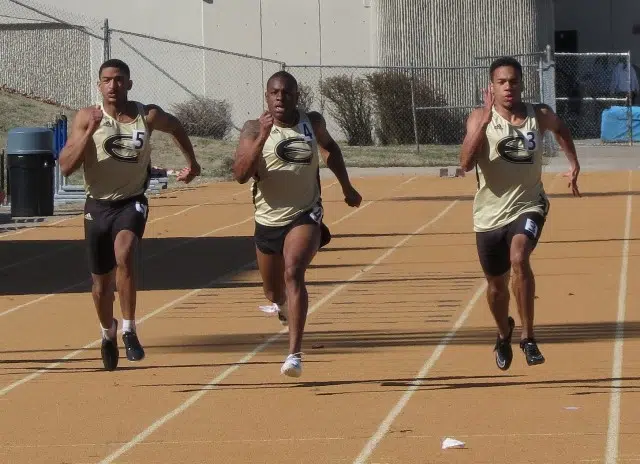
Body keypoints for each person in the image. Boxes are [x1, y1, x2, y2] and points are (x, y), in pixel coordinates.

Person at [59, 59, 201, 371]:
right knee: (100, 286)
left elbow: (175, 125)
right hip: (97, 206)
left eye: (119, 80)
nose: (113, 86)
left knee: (125, 254)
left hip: (131, 202)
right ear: (99, 86)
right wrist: (89, 132)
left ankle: (129, 329)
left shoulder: (145, 115)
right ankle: (107, 333)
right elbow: (66, 166)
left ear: (129, 84)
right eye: (107, 80)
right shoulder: (87, 117)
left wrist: (192, 162)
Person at [232, 71, 362, 377]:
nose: (280, 98)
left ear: (296, 97)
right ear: (266, 97)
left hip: (305, 213)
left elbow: (331, 150)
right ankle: (279, 305)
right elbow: (239, 174)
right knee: (273, 292)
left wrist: (346, 187)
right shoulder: (252, 129)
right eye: (275, 93)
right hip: (267, 220)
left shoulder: (311, 122)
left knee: (294, 271)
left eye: (287, 93)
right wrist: (263, 136)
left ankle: (294, 354)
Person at [459, 56, 581, 371]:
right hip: (489, 215)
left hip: (530, 202)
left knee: (519, 256)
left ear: (522, 83)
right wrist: (485, 120)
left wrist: (573, 164)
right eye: (502, 82)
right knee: (497, 288)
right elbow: (465, 164)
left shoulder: (537, 115)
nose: (508, 87)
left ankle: (528, 336)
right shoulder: (478, 119)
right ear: (491, 87)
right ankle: (504, 333)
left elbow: (562, 128)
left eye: (513, 81)